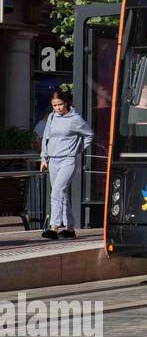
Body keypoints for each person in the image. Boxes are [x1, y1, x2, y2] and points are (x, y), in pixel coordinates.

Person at [39, 90, 94, 240]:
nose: (57, 108)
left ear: (66, 103)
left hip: (68, 160)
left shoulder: (75, 119)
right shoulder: (51, 117)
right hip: (53, 160)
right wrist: (44, 157)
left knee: (56, 192)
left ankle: (54, 227)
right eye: (54, 105)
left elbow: (89, 134)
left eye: (60, 104)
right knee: (61, 194)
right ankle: (69, 228)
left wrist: (78, 149)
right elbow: (46, 138)